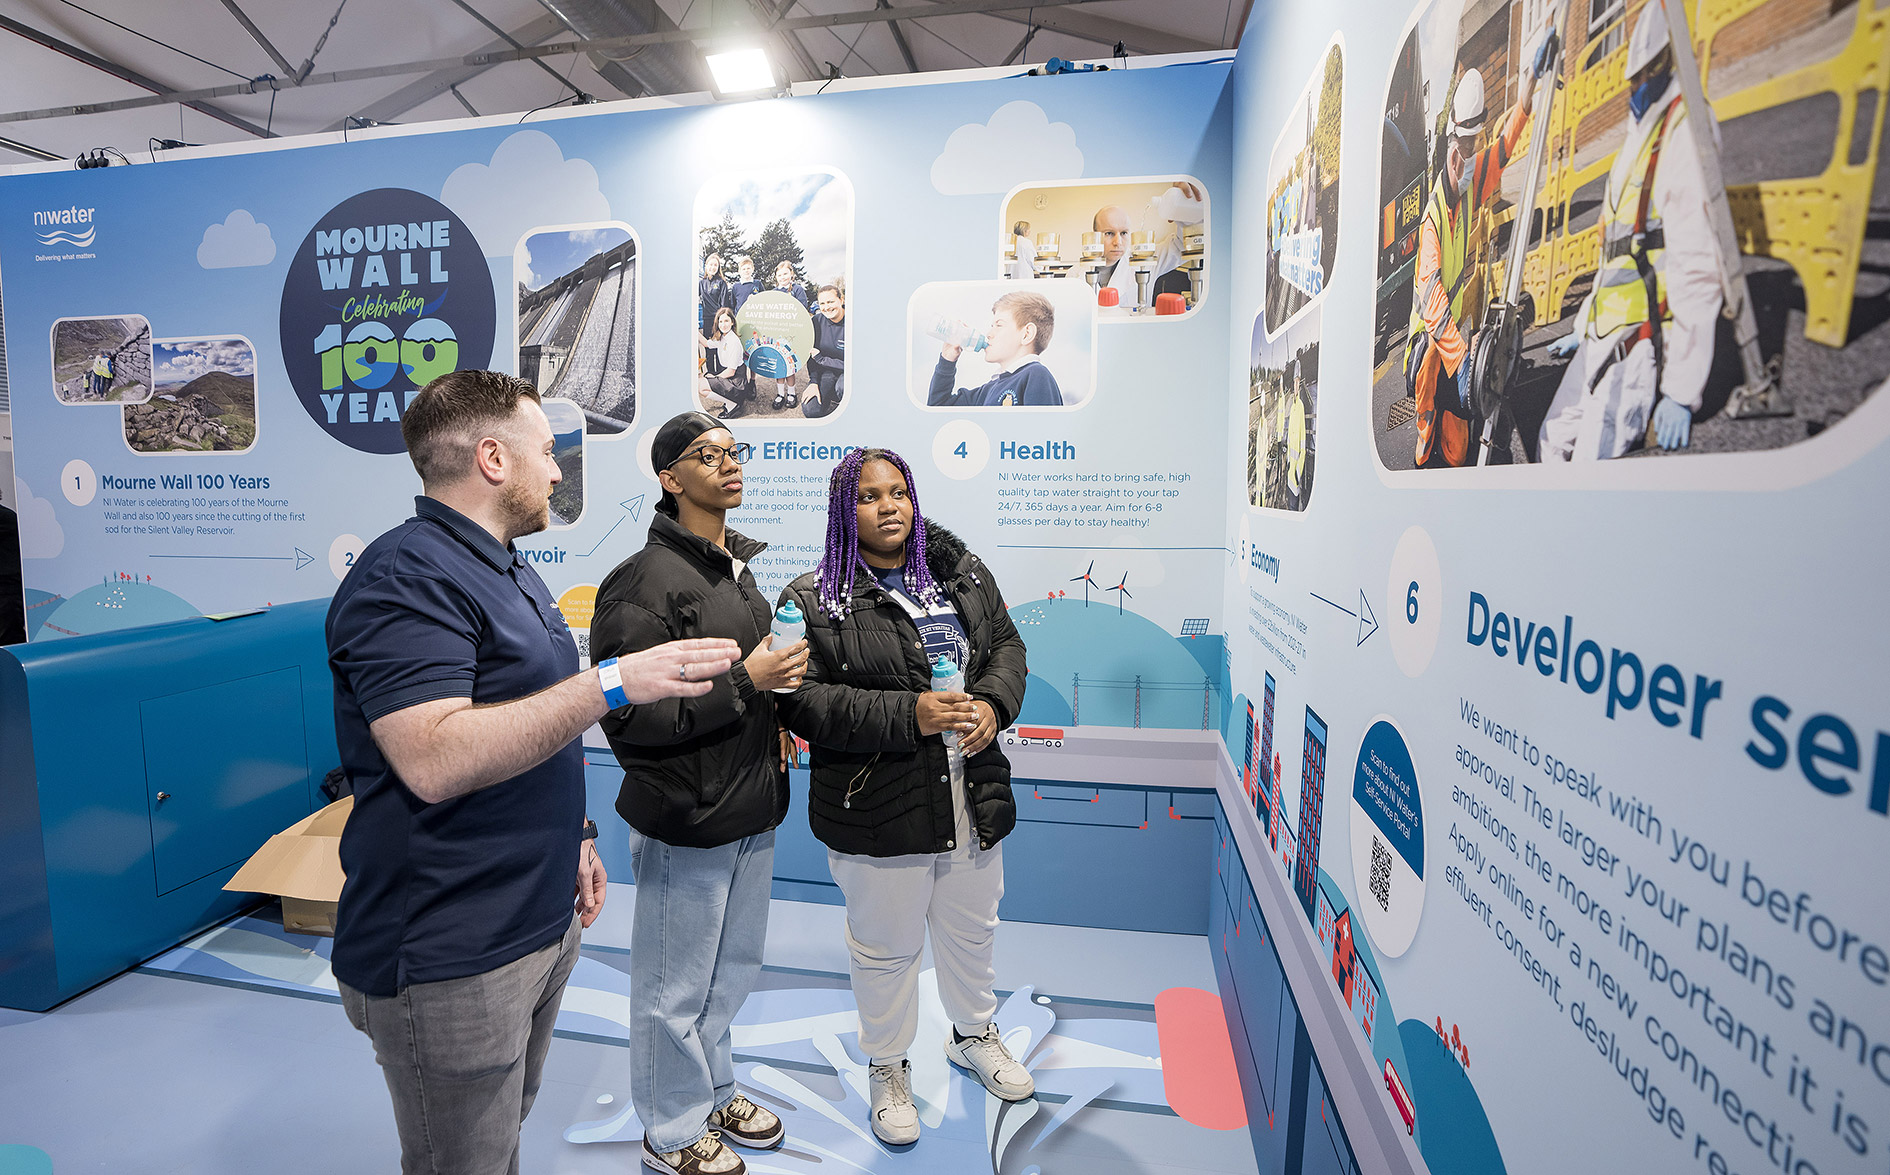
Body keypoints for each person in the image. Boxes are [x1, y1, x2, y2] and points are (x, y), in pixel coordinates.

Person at [325, 369, 739, 1175]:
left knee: (501, 1137)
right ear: (492, 458)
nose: (557, 470)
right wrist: (615, 681)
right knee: (464, 1160)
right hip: (452, 950)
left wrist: (575, 837)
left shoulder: (507, 565)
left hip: (536, 919)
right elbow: (437, 757)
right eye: (547, 452)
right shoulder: (407, 576)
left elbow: (525, 716)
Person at [775, 448, 1032, 1146]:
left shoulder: (962, 574)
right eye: (869, 496)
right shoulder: (809, 600)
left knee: (972, 928)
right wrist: (907, 715)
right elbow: (800, 702)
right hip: (879, 800)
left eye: (898, 492)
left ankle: (974, 1033)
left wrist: (991, 705)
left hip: (972, 788)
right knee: (885, 948)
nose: (888, 506)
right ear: (842, 511)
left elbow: (1006, 647)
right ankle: (887, 1065)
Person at [590, 412, 810, 1175]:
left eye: (733, 451)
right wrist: (751, 680)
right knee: (671, 986)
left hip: (752, 804)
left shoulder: (736, 575)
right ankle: (670, 1127)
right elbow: (632, 716)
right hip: (687, 815)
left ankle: (714, 1090)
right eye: (705, 454)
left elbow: (747, 689)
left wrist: (775, 708)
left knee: (731, 970)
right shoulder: (643, 583)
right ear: (668, 477)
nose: (728, 464)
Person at [1538, 5, 1719, 461]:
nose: (1635, 90)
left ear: (1666, 62)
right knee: (1549, 444)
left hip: (1640, 342)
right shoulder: (1640, 134)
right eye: (1631, 80)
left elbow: (1697, 261)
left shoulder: (1682, 130)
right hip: (1600, 334)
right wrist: (1581, 326)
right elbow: (1613, 255)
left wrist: (1681, 389)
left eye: (1644, 77)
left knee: (1588, 471)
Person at [1405, 45, 1548, 467]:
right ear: (1453, 154)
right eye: (1468, 150)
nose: (1473, 160)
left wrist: (1526, 95)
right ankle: (1425, 447)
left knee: (1460, 444)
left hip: (1449, 335)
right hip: (1427, 346)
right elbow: (1432, 305)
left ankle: (1452, 442)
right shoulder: (1432, 221)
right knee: (1440, 410)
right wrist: (1463, 359)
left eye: (1476, 146)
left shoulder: (1467, 187)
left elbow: (1503, 149)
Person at [927, 291, 1063, 407]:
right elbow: (939, 407)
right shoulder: (989, 389)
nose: (988, 334)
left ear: (1026, 334)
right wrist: (947, 360)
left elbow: (1044, 432)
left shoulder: (1036, 375)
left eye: (999, 325)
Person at [1092, 182, 1203, 309]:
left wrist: (1185, 210)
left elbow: (1182, 245)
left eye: (1123, 233)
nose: (1118, 242)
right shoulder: (1075, 274)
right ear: (1094, 236)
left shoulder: (1146, 260)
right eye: (1109, 233)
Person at [697, 306, 753, 419]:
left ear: (732, 322)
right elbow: (707, 344)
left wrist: (713, 377)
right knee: (700, 379)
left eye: (726, 321)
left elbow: (731, 372)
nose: (723, 324)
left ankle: (734, 404)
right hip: (730, 378)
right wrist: (694, 331)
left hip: (737, 383)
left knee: (701, 386)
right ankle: (730, 400)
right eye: (720, 321)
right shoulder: (723, 337)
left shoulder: (733, 342)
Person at [803, 284, 846, 418]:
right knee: (811, 410)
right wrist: (813, 382)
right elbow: (812, 356)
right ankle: (831, 395)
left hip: (849, 373)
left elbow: (856, 365)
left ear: (841, 300)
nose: (827, 307)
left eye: (831, 302)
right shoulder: (816, 321)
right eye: (822, 303)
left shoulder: (854, 322)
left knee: (842, 388)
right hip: (827, 372)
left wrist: (822, 359)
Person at [698, 253, 734, 335]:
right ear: (706, 266)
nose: (713, 267)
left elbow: (724, 304)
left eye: (715, 265)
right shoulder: (701, 283)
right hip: (706, 319)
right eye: (710, 264)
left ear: (718, 268)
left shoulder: (721, 282)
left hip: (718, 320)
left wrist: (721, 320)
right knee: (708, 344)